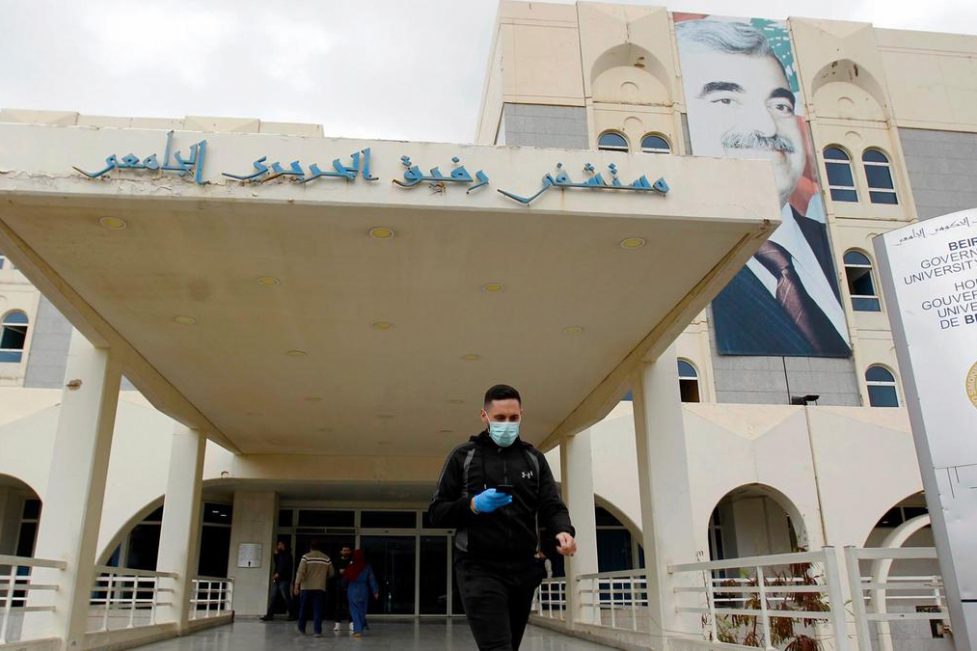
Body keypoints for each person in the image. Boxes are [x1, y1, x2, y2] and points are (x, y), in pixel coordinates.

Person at [675, 18, 851, 357]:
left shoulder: (840, 253)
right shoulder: (677, 259)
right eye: (726, 100)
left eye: (780, 106)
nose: (766, 125)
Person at [428, 384, 577, 651]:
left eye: (513, 418)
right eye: (499, 418)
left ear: (521, 415)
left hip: (524, 570)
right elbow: (436, 513)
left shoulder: (534, 459)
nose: (507, 424)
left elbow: (552, 506)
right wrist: (472, 505)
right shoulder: (463, 456)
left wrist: (563, 531)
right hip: (478, 568)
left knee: (508, 646)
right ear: (484, 417)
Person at [292, 539, 334, 637]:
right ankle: (317, 631)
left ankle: (302, 629)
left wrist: (296, 585)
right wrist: (323, 578)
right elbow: (332, 573)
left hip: (306, 587)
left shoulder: (306, 557)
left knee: (303, 609)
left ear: (310, 547)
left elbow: (300, 572)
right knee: (318, 609)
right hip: (320, 587)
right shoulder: (326, 558)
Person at [343, 549, 379, 638]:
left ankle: (357, 630)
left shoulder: (351, 566)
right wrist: (375, 591)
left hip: (352, 589)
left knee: (354, 610)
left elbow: (345, 578)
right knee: (362, 610)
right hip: (363, 589)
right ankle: (361, 625)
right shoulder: (367, 567)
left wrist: (344, 587)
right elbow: (371, 579)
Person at [260, 540, 295, 621]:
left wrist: (278, 573)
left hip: (284, 579)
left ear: (283, 545)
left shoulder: (287, 554)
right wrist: (275, 555)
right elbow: (277, 563)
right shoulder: (281, 554)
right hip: (278, 579)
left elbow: (283, 565)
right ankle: (270, 615)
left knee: (285, 596)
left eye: (280, 544)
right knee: (273, 596)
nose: (278, 546)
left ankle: (292, 614)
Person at [331, 544, 353, 632]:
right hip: (339, 586)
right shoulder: (337, 561)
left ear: (350, 552)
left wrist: (346, 571)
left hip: (350, 586)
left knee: (350, 605)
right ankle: (337, 624)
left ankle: (352, 624)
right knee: (338, 605)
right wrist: (338, 572)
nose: (346, 552)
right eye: (344, 550)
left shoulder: (352, 561)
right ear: (341, 552)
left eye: (347, 550)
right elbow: (332, 573)